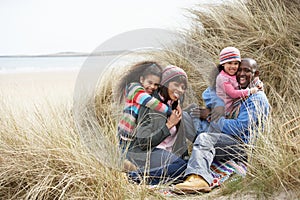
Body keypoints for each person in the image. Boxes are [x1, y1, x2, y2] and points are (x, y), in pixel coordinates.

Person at [173, 58, 270, 194]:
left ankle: (199, 178)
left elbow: (238, 128)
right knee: (185, 116)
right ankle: (178, 162)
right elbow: (210, 95)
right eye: (239, 70)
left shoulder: (257, 98)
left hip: (241, 145)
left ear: (256, 74)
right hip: (224, 136)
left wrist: (209, 116)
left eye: (247, 71)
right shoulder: (237, 92)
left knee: (205, 138)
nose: (241, 74)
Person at [126, 65, 197, 185]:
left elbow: (180, 140)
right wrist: (169, 125)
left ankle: (149, 174)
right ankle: (132, 177)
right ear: (165, 83)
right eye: (176, 84)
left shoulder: (173, 104)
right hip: (146, 152)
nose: (180, 89)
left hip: (166, 153)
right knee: (181, 168)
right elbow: (143, 143)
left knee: (189, 167)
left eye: (183, 87)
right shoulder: (151, 105)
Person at [116, 61, 172, 150]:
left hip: (133, 135)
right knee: (125, 155)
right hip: (126, 134)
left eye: (156, 84)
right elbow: (149, 101)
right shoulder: (135, 88)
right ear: (142, 80)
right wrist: (168, 111)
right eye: (150, 82)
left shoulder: (144, 90)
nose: (152, 87)